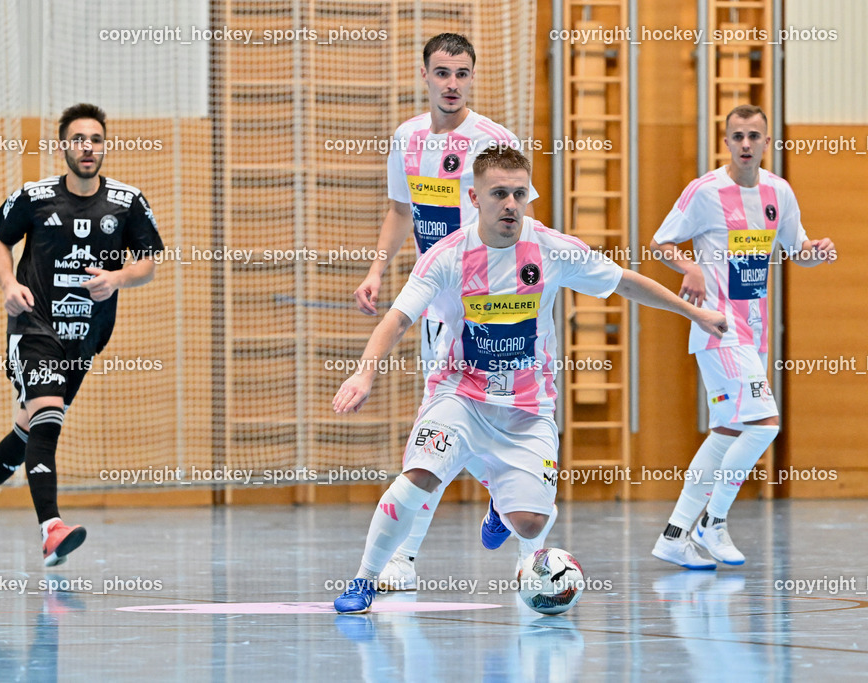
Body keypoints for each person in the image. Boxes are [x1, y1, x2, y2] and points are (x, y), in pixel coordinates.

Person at [333, 145, 727, 613]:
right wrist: (364, 372)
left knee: (528, 521)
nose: (511, 204)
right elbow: (397, 319)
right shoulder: (446, 256)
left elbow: (623, 280)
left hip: (528, 406)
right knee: (420, 475)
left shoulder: (550, 248)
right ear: (474, 197)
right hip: (460, 393)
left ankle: (503, 506)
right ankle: (364, 579)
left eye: (519, 193)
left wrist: (693, 312)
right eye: (499, 193)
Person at [352, 33, 540, 590]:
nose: (451, 84)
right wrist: (378, 271)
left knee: (446, 425)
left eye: (461, 73)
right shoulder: (407, 139)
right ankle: (496, 502)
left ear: (473, 77)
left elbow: (522, 222)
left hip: (486, 306)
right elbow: (398, 209)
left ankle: (406, 558)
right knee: (443, 425)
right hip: (434, 302)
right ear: (425, 75)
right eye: (441, 73)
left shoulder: (493, 141)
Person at [0, 103, 164, 566]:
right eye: (79, 139)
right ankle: (51, 528)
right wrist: (9, 284)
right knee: (47, 415)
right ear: (64, 144)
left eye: (97, 139)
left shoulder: (126, 202)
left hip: (84, 339)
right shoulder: (35, 196)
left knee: (31, 429)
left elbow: (148, 261)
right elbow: (0, 239)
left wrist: (118, 278)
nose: (88, 147)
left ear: (105, 146)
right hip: (33, 326)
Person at [649, 104, 836, 569]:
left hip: (755, 333)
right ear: (727, 142)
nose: (747, 144)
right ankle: (714, 520)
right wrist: (690, 266)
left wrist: (818, 251)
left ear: (767, 142)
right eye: (738, 136)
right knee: (765, 424)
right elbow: (660, 243)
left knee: (729, 429)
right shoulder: (706, 191)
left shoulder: (780, 192)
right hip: (718, 327)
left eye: (755, 135)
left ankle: (675, 535)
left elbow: (799, 251)